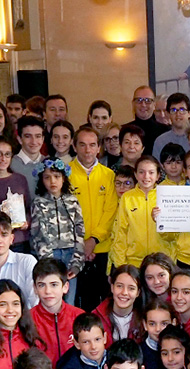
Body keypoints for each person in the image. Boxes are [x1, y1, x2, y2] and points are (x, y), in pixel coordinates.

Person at [69, 127, 118, 311]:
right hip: (74, 250)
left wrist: (94, 239)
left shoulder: (109, 175)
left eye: (92, 145)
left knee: (104, 302)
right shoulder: (65, 174)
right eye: (82, 145)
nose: (87, 150)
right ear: (74, 146)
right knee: (77, 302)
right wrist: (82, 243)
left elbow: (111, 211)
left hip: (103, 249)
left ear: (99, 148)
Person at [30, 162, 85, 305]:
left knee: (69, 301)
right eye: (47, 177)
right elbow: (38, 234)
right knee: (52, 299)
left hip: (71, 255)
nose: (52, 181)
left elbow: (79, 232)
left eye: (56, 176)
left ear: (64, 178)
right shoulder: (38, 203)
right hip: (51, 255)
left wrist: (77, 262)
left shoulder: (72, 201)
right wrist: (48, 262)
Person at [111, 155, 167, 268]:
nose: (146, 176)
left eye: (151, 172)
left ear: (158, 175)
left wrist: (161, 222)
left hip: (161, 261)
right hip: (133, 262)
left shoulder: (165, 196)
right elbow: (120, 233)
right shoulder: (127, 198)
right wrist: (120, 265)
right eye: (141, 172)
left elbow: (173, 236)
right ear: (136, 174)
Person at [30, 258, 83, 369]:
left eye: (54, 285)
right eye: (41, 285)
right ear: (35, 288)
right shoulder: (27, 320)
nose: (48, 291)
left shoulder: (79, 317)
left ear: (65, 287)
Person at [94, 265, 144, 343]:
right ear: (112, 288)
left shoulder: (144, 319)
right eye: (119, 286)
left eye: (131, 288)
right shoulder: (95, 317)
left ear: (138, 292)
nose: (124, 292)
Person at [123, 85, 168, 154]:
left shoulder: (165, 131)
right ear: (133, 104)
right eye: (139, 100)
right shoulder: (123, 130)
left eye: (148, 100)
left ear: (154, 105)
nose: (143, 105)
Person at [152, 93, 190, 160]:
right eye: (173, 110)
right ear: (168, 114)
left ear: (189, 113)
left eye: (182, 110)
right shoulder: (160, 141)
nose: (178, 114)